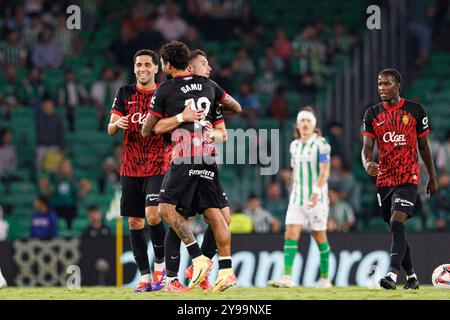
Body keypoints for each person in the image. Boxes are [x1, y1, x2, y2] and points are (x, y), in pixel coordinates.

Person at [141, 41, 240, 292]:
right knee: (216, 215)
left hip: (184, 153)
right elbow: (237, 107)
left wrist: (181, 117)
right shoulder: (209, 86)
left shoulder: (165, 89)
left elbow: (147, 130)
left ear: (166, 64)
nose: (208, 67)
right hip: (207, 155)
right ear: (189, 63)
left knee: (167, 211)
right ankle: (225, 270)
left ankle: (197, 261)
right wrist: (210, 111)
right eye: (204, 63)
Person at [361, 68, 438, 290]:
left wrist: (432, 177)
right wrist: (367, 163)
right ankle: (412, 278)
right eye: (379, 84)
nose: (381, 88)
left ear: (398, 86)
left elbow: (423, 146)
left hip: (408, 176)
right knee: (396, 228)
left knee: (397, 222)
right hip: (384, 180)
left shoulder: (415, 111)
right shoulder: (372, 114)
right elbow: (367, 147)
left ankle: (392, 275)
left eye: (386, 84)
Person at [107, 49, 169, 292]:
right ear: (134, 69)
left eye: (147, 64)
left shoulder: (163, 93)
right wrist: (116, 123)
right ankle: (144, 277)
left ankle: (160, 267)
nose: (142, 68)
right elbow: (110, 129)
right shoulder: (124, 93)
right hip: (130, 166)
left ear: (156, 68)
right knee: (134, 222)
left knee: (153, 216)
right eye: (138, 65)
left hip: (157, 163)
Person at [268, 107, 332, 289]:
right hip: (297, 198)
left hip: (317, 198)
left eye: (308, 121)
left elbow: (325, 171)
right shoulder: (294, 145)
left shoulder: (322, 144)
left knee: (319, 236)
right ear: (297, 125)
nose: (305, 124)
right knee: (290, 232)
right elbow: (296, 172)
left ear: (314, 125)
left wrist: (317, 192)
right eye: (302, 121)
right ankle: (287, 276)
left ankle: (325, 278)